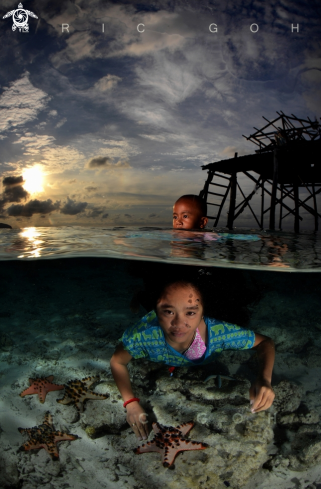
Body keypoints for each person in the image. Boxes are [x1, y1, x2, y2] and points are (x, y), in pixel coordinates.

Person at [110, 279, 275, 441]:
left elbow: (265, 343)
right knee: (147, 301)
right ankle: (141, 296)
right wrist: (130, 403)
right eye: (168, 312)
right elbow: (117, 361)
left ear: (202, 313)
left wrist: (264, 378)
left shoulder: (220, 333)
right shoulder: (142, 335)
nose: (179, 323)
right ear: (158, 311)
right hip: (152, 316)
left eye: (190, 313)